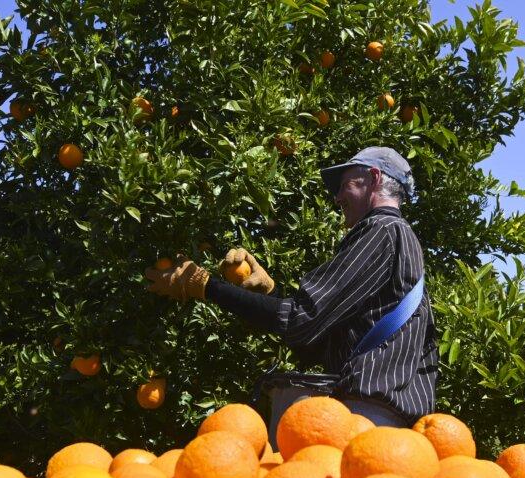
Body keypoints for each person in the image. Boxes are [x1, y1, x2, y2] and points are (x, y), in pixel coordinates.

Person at [144, 146, 438, 428]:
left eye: (344, 184)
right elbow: (314, 341)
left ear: (373, 178)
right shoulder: (400, 241)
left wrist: (207, 286)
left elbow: (299, 320)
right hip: (388, 421)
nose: (337, 198)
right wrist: (270, 293)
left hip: (367, 417)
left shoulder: (381, 231)